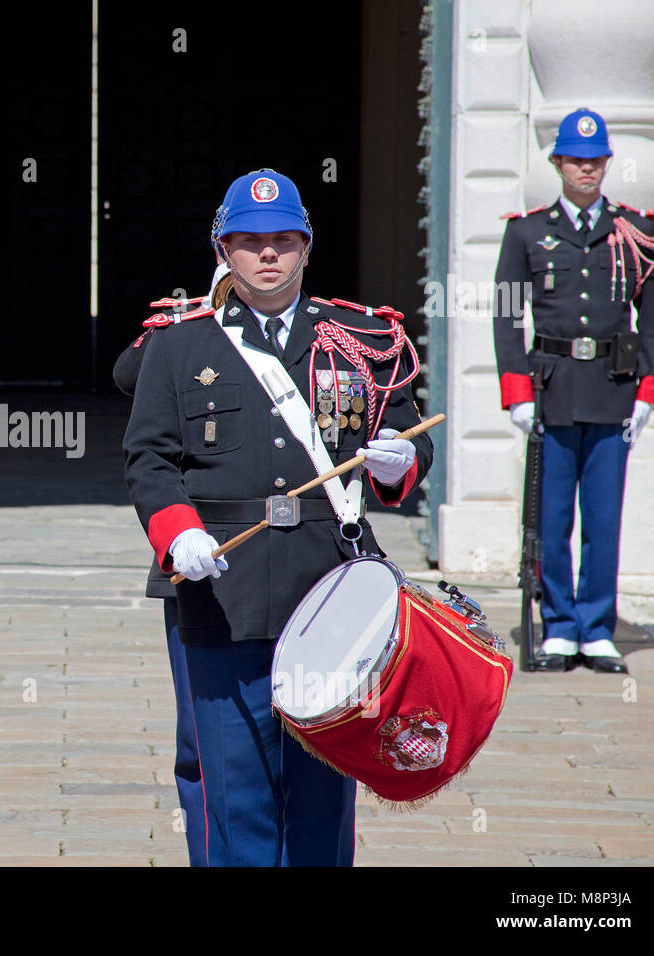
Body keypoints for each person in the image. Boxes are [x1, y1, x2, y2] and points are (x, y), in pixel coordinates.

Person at [123, 170, 432, 866]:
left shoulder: (358, 338)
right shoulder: (179, 345)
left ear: (307, 247)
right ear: (222, 249)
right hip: (219, 586)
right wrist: (179, 534)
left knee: (324, 794)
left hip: (329, 590)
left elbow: (412, 435)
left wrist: (397, 461)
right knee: (234, 796)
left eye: (283, 240)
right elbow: (149, 459)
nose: (268, 254)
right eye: (249, 241)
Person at [493, 108, 654, 675]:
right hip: (552, 391)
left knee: (603, 516)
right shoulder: (525, 231)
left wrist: (649, 394)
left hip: (614, 391)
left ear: (606, 163)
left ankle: (597, 629)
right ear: (558, 163)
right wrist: (516, 390)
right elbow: (505, 315)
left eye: (595, 160)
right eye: (575, 159)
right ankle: (560, 627)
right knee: (550, 521)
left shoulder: (638, 233)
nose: (586, 169)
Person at [112, 262, 229, 866]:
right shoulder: (182, 328)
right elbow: (127, 375)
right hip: (199, 555)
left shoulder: (322, 336)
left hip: (297, 564)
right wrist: (203, 310)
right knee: (204, 740)